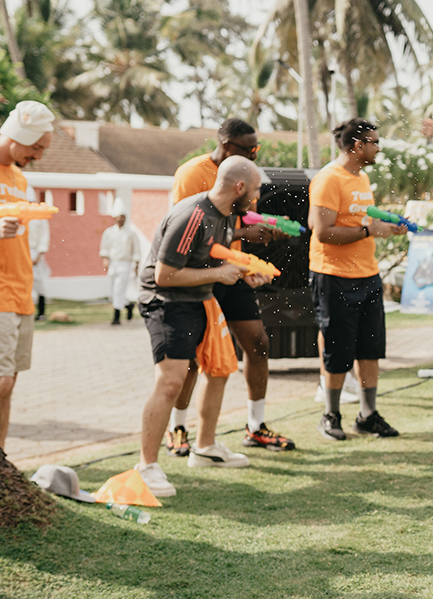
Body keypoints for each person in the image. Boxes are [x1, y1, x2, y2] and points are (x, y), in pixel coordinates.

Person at [134, 157, 271, 497]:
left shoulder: (224, 216)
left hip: (199, 298)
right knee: (170, 382)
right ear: (239, 188)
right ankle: (146, 467)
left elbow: (207, 257)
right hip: (165, 302)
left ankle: (205, 448)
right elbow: (164, 275)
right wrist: (218, 274)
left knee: (220, 369)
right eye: (253, 191)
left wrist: (242, 271)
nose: (255, 199)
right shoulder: (192, 215)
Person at [165, 117, 296, 454]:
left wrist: (252, 252)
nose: (253, 156)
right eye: (247, 150)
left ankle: (255, 426)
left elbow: (237, 220)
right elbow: (188, 232)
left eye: (256, 150)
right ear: (225, 145)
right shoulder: (192, 174)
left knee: (258, 342)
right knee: (193, 356)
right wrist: (243, 234)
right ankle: (178, 428)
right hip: (196, 273)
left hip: (231, 270)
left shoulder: (245, 173)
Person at [309, 117, 406, 441]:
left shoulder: (361, 177)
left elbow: (363, 220)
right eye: (374, 142)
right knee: (337, 350)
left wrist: (387, 226)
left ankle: (367, 415)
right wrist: (368, 230)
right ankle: (331, 414)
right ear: (357, 146)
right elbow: (322, 232)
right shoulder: (328, 179)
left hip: (368, 275)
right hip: (334, 276)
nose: (378, 148)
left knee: (370, 348)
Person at [0, 100, 54, 450]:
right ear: (17, 137)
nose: (38, 155)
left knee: (9, 380)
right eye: (37, 147)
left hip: (21, 289)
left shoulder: (19, 176)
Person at [99, 203, 142, 326]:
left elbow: (136, 251)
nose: (121, 219)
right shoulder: (109, 232)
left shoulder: (130, 234)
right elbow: (104, 248)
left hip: (125, 263)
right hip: (113, 263)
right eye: (119, 216)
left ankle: (116, 316)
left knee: (119, 288)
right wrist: (105, 259)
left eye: (123, 216)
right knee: (112, 290)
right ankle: (128, 306)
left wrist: (136, 266)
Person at [27, 191, 50, 322]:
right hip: (23, 253)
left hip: (36, 254)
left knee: (40, 283)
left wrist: (39, 256)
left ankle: (41, 312)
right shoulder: (22, 218)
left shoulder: (41, 219)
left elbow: (44, 237)